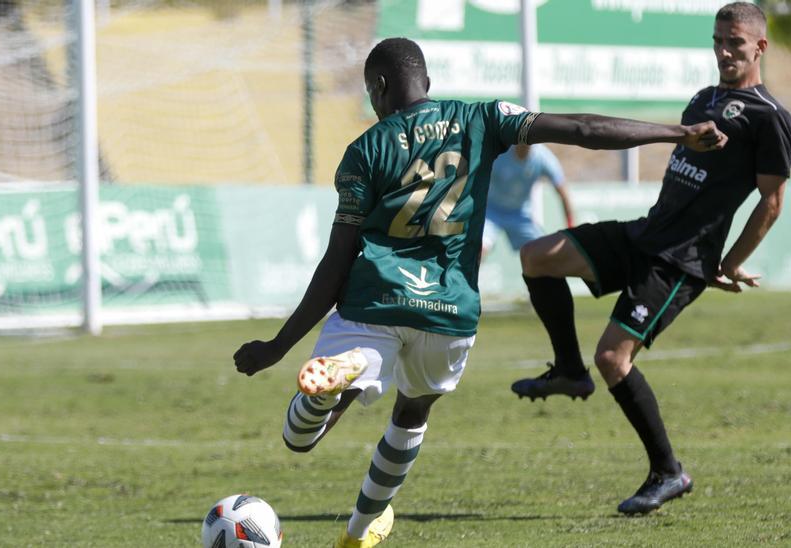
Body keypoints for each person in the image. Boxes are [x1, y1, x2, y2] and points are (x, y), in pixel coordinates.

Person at [232, 37, 726, 547]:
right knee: (412, 413)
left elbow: (337, 261)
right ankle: (357, 533)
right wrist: (678, 132)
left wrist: (278, 345)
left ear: (378, 87)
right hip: (449, 312)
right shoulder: (482, 118)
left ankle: (347, 373)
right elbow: (584, 129)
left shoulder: (365, 150)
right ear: (427, 82)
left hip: (376, 299)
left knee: (299, 439)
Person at [510, 1, 791, 516]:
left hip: (680, 261)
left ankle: (668, 472)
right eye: (717, 41)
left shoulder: (769, 117)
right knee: (537, 256)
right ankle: (569, 371)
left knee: (613, 359)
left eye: (734, 42)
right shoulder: (702, 100)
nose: (724, 51)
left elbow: (771, 202)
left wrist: (728, 262)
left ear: (760, 46)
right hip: (644, 234)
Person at [482, 144, 574, 258]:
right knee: (479, 248)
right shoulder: (500, 153)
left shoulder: (543, 157)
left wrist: (570, 229)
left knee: (542, 253)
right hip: (491, 211)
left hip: (520, 213)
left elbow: (563, 193)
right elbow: (475, 176)